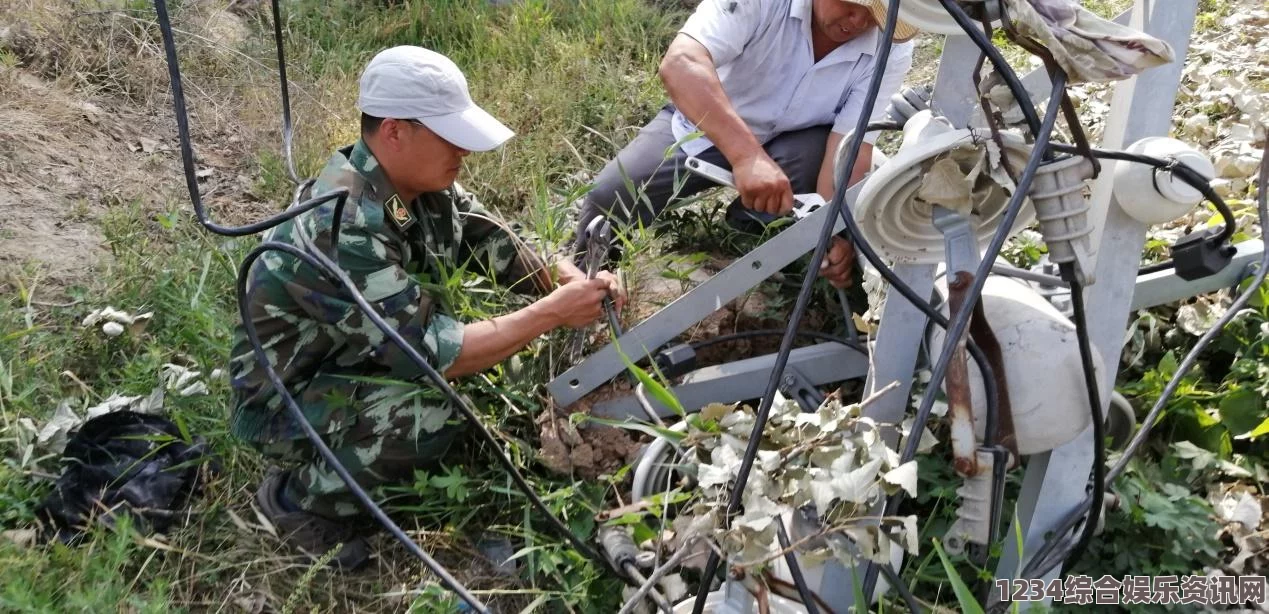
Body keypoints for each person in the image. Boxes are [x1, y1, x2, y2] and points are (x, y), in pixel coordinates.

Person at [227, 46, 624, 570]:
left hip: (346, 359)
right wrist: (551, 312)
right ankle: (300, 499)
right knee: (433, 414)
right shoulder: (343, 223)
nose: (465, 151)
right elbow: (434, 356)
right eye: (449, 136)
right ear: (394, 131)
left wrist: (572, 278)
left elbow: (497, 243)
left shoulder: (418, 186)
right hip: (285, 403)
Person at [573, 0, 917, 288]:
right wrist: (747, 157)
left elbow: (850, 148)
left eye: (875, 15)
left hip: (798, 145)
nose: (858, 21)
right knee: (611, 195)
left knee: (816, 172)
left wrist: (830, 233)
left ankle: (747, 231)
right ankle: (580, 285)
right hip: (709, 122)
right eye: (852, 4)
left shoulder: (890, 48)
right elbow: (682, 63)